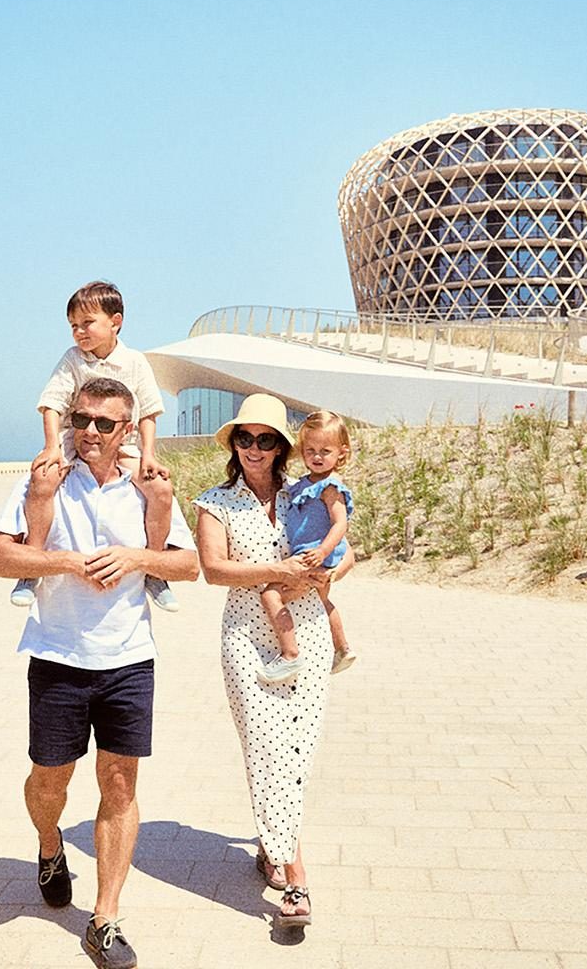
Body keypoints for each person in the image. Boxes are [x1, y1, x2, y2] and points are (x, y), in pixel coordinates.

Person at [0, 377, 198, 969]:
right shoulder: (44, 480)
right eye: (82, 419)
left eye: (105, 423)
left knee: (120, 783)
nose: (91, 432)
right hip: (57, 654)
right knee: (50, 780)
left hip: (129, 658)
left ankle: (104, 918)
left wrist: (136, 557)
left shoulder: (148, 488)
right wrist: (67, 562)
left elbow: (188, 564)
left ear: (128, 430)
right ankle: (49, 844)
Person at [193, 393, 354, 931]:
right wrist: (277, 568)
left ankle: (272, 841)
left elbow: (347, 546)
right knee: (267, 748)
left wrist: (332, 572)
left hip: (305, 632)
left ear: (282, 446)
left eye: (265, 439)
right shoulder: (215, 502)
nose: (254, 449)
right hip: (246, 636)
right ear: (233, 444)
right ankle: (295, 878)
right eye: (245, 438)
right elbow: (214, 571)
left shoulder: (307, 490)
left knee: (296, 753)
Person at [10, 281, 179, 613]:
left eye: (87, 323)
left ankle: (155, 570)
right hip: (76, 440)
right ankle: (32, 564)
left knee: (160, 489)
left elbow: (148, 413)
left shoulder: (135, 361)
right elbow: (52, 404)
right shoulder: (73, 359)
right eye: (73, 326)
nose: (79, 332)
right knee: (43, 481)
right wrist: (51, 448)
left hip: (124, 444)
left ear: (115, 321)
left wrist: (148, 455)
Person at [257, 410, 357, 684]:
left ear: (341, 453)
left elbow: (340, 524)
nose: (317, 456)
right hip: (311, 553)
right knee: (323, 600)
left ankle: (290, 653)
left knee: (270, 596)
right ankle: (342, 647)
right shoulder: (303, 484)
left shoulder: (330, 486)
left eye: (325, 450)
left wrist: (324, 552)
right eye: (310, 449)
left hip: (314, 555)